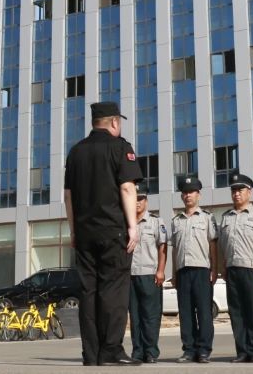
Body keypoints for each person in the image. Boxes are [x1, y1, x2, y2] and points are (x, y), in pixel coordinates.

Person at [63, 101, 143, 366]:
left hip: (84, 234)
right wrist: (133, 226)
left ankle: (91, 353)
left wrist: (74, 230)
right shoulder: (120, 148)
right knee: (114, 290)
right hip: (112, 232)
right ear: (114, 122)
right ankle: (111, 350)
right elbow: (128, 188)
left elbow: (68, 196)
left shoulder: (76, 152)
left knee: (88, 292)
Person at [217, 172, 253, 363]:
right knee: (236, 312)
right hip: (232, 269)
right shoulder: (226, 217)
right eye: (233, 190)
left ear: (249, 192)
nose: (236, 194)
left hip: (252, 269)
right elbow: (222, 245)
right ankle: (242, 351)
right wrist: (223, 266)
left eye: (240, 190)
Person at [168, 175, 217, 364]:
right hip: (183, 271)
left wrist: (214, 269)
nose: (188, 195)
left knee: (204, 312)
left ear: (198, 195)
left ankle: (204, 350)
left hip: (202, 270)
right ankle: (189, 350)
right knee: (185, 312)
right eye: (185, 193)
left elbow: (213, 245)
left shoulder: (207, 218)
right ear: (182, 196)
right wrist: (174, 273)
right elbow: (175, 249)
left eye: (191, 192)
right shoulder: (176, 220)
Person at [128, 182, 167, 363]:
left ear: (146, 201)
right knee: (135, 316)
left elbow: (162, 247)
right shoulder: (126, 223)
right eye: (135, 199)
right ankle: (137, 352)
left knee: (150, 316)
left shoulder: (156, 222)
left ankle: (151, 351)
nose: (137, 202)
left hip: (150, 275)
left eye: (141, 199)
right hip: (131, 275)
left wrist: (161, 270)